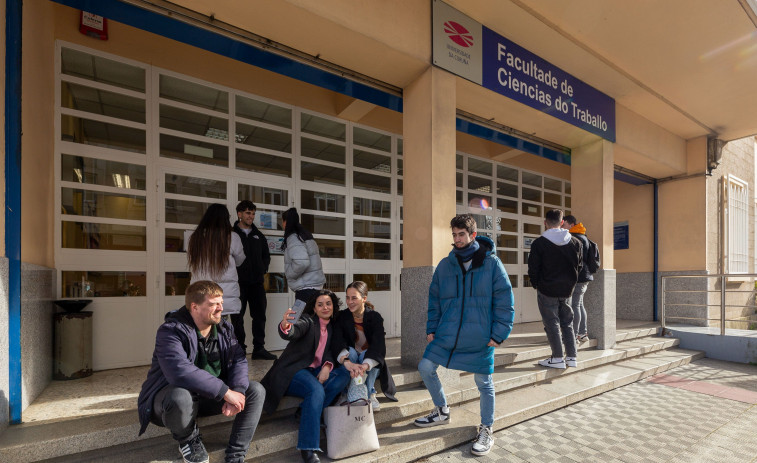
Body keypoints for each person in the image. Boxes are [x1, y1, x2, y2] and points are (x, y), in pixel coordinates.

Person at [414, 214, 515, 457]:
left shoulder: (491, 263)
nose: (457, 240)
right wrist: (431, 327)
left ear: (472, 234)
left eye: (461, 234)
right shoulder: (445, 265)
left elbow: (504, 300)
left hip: (480, 336)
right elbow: (435, 300)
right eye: (454, 235)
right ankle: (441, 410)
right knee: (425, 367)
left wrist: (499, 333)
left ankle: (487, 428)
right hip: (447, 334)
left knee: (484, 383)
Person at [137, 281, 265, 463]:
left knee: (255, 391)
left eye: (221, 303)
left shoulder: (224, 329)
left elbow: (238, 360)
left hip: (208, 396)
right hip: (171, 403)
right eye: (213, 304)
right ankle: (189, 440)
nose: (220, 308)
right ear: (194, 307)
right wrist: (225, 392)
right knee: (179, 397)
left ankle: (236, 455)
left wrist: (236, 391)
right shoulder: (170, 331)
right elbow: (179, 371)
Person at [260, 290, 351, 463]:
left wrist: (327, 366)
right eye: (320, 304)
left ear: (333, 306)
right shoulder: (308, 322)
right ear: (314, 309)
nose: (325, 307)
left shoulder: (332, 327)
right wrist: (286, 326)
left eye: (328, 303)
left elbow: (331, 352)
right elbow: (293, 331)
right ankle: (308, 448)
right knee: (316, 390)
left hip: (315, 371)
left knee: (344, 374)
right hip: (294, 371)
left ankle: (305, 411)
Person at [528, 209, 583, 370]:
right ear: (561, 222)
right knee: (567, 323)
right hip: (567, 290)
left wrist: (536, 284)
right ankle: (572, 357)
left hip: (546, 290)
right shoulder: (576, 243)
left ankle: (557, 358)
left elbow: (533, 268)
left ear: (545, 223)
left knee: (551, 324)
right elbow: (579, 266)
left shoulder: (539, 243)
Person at [331, 281, 397, 411]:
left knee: (372, 356)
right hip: (351, 359)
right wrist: (347, 362)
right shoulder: (342, 317)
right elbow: (337, 341)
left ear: (364, 299)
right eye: (347, 297)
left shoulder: (375, 317)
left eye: (354, 298)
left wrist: (365, 365)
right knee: (351, 352)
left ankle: (370, 392)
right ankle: (346, 392)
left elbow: (379, 345)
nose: (350, 302)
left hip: (368, 362)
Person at [231, 200, 276, 360]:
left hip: (256, 283)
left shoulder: (258, 235)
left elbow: (266, 255)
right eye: (248, 213)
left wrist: (263, 269)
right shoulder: (232, 234)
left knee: (259, 316)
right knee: (237, 317)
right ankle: (240, 349)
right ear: (239, 214)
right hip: (238, 284)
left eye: (253, 214)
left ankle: (259, 349)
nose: (251, 216)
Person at [186, 204, 245, 318]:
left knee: (201, 328)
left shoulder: (196, 237)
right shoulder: (231, 237)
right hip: (221, 295)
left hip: (200, 293)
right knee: (220, 329)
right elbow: (240, 260)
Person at [281, 208, 326, 308]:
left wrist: (290, 274)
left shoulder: (293, 237)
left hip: (306, 289)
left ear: (286, 222)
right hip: (315, 286)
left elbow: (302, 262)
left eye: (282, 222)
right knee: (314, 320)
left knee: (302, 321)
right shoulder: (305, 235)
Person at [562, 215, 592, 344]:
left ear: (571, 224)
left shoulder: (575, 238)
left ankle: (575, 335)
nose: (563, 226)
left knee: (575, 305)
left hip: (578, 276)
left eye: (564, 224)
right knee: (579, 304)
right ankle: (582, 333)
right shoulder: (583, 236)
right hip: (584, 275)